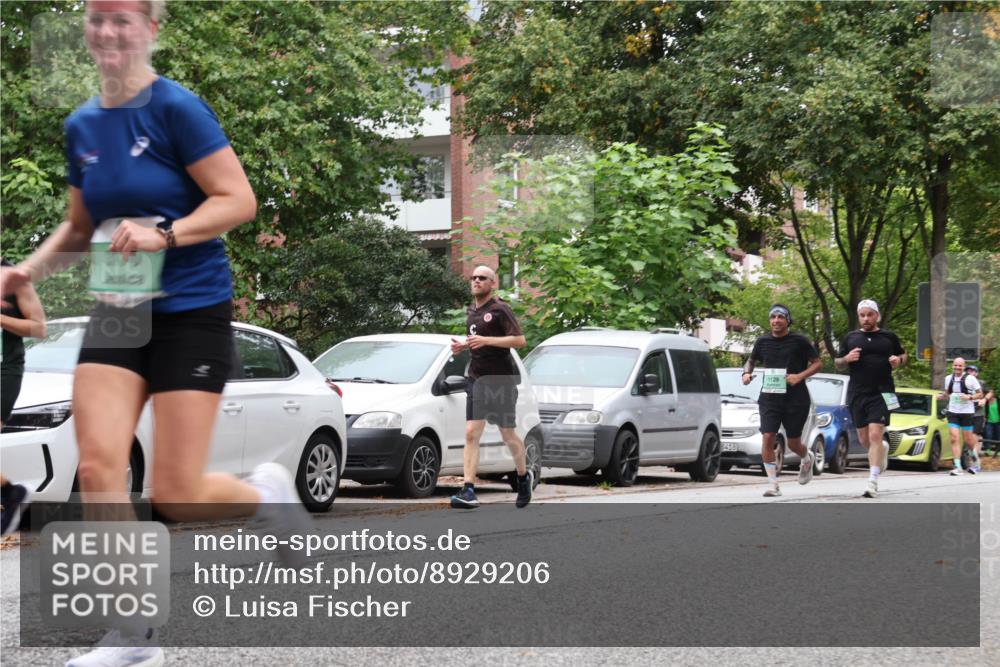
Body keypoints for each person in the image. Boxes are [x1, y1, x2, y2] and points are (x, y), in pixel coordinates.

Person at [1, 2, 311, 664]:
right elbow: (82, 227)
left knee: (177, 492)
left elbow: (238, 200)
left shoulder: (177, 109)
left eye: (124, 19)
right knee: (99, 464)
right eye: (97, 18)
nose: (109, 32)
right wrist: (22, 269)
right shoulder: (82, 124)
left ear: (151, 30)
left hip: (191, 308)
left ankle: (265, 493)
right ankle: (133, 635)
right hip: (120, 306)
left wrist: (166, 232)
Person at [449, 265, 531, 509]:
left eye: (482, 278)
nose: (476, 281)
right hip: (477, 379)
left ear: (492, 283)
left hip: (501, 380)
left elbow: (519, 340)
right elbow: (479, 341)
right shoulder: (471, 311)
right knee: (471, 432)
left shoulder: (500, 309)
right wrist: (465, 346)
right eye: (473, 278)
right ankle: (468, 489)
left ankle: (523, 476)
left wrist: (486, 340)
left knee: (507, 433)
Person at [741, 304, 822, 497]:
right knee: (768, 436)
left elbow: (818, 363)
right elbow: (751, 360)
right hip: (769, 397)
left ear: (787, 320)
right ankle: (773, 485)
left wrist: (799, 376)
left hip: (796, 398)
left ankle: (806, 456)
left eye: (780, 317)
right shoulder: (762, 342)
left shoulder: (800, 341)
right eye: (773, 317)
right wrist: (746, 373)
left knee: (794, 443)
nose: (776, 320)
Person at [835, 299, 907, 498]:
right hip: (858, 393)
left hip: (883, 392)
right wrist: (846, 359)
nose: (866, 318)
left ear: (877, 316)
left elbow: (903, 355)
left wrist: (898, 360)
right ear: (859, 316)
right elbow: (838, 363)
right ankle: (881, 451)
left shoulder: (888, 337)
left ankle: (872, 481)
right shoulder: (850, 338)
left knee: (875, 435)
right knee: (864, 439)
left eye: (869, 314)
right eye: (862, 315)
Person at [0, 259, 47, 537]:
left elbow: (39, 327)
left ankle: (10, 493)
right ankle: (10, 492)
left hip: (4, 370)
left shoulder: (15, 279)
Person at [937, 358, 983, 475]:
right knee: (954, 438)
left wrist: (969, 397)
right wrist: (942, 396)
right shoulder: (948, 378)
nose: (957, 368)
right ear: (952, 366)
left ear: (964, 367)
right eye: (955, 365)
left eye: (960, 366)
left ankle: (976, 461)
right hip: (953, 412)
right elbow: (948, 392)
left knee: (968, 440)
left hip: (967, 412)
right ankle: (958, 467)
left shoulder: (970, 379)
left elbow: (980, 394)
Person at [967, 365, 992, 456]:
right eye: (968, 371)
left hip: (978, 414)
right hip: (966, 413)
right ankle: (967, 456)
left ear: (976, 373)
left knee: (975, 434)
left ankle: (975, 456)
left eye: (972, 371)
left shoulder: (981, 383)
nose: (970, 373)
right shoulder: (963, 382)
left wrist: (984, 399)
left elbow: (990, 392)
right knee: (967, 435)